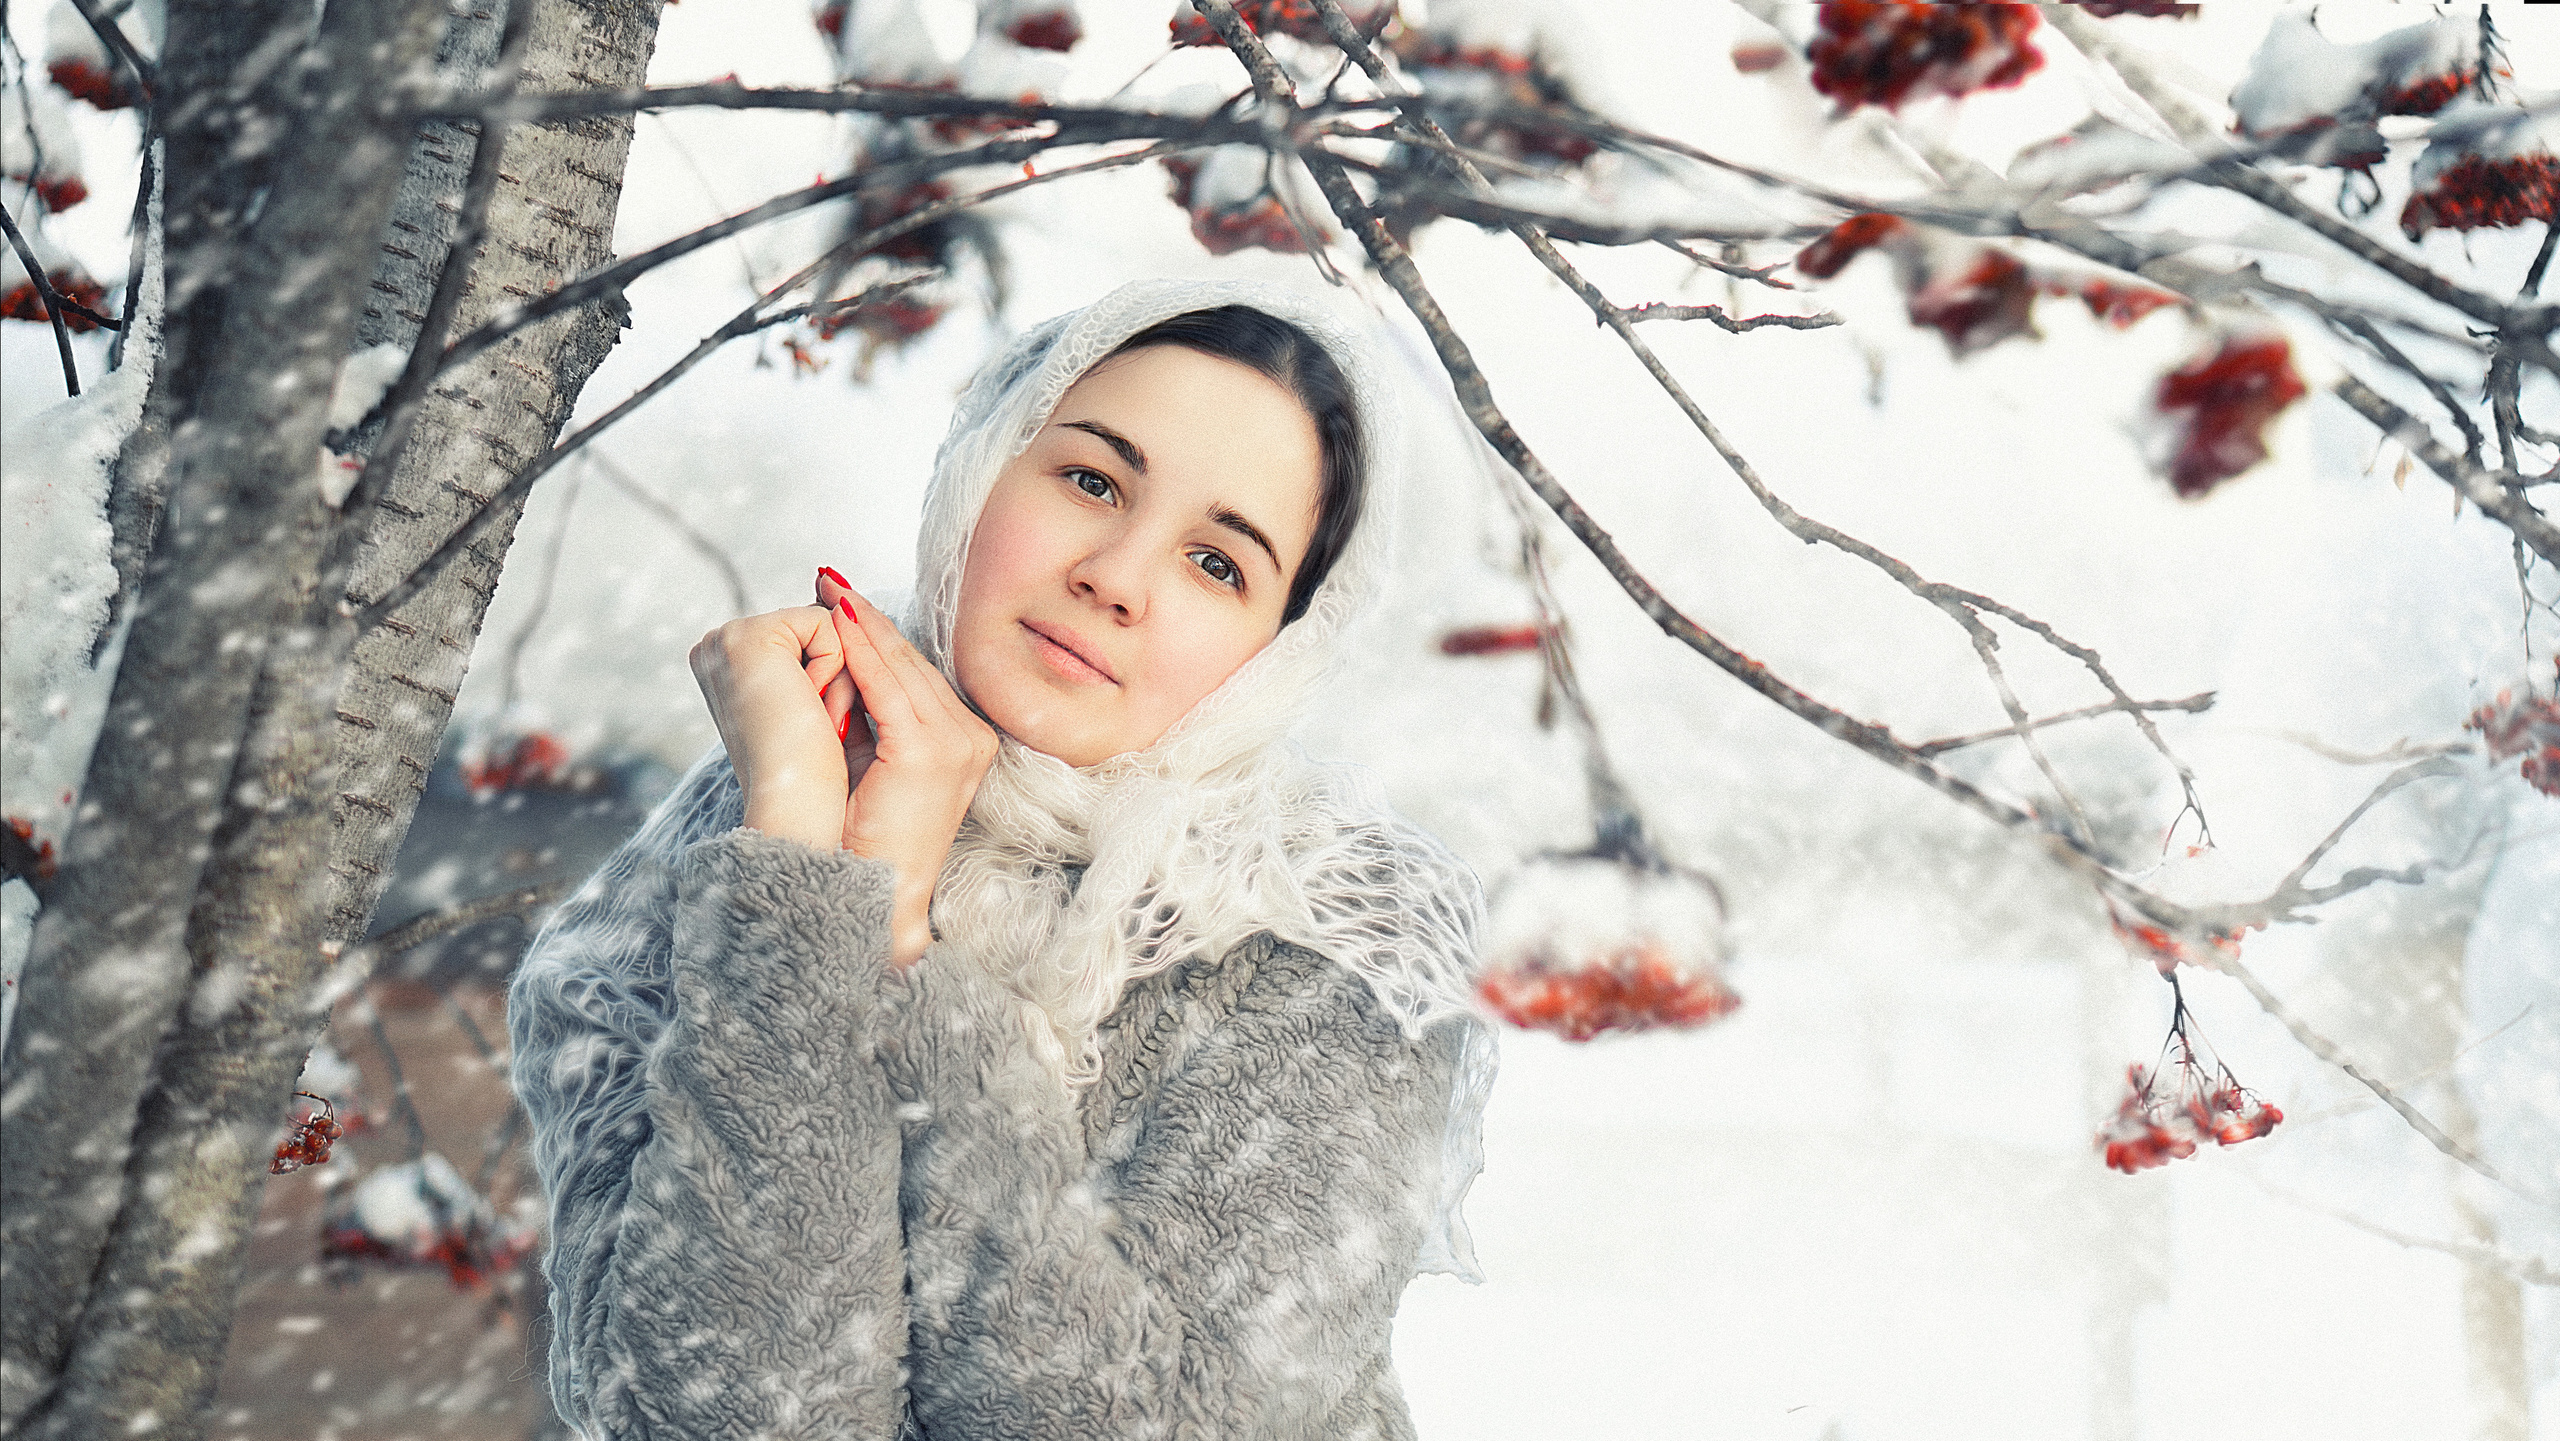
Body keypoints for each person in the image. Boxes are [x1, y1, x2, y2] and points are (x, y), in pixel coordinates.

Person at [508, 278, 1496, 1440]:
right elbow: (728, 1416)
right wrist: (802, 886)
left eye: (1218, 564)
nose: (1115, 577)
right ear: (979, 475)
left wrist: (901, 954)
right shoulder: (723, 866)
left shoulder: (1337, 931)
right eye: (1090, 480)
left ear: (1281, 646)